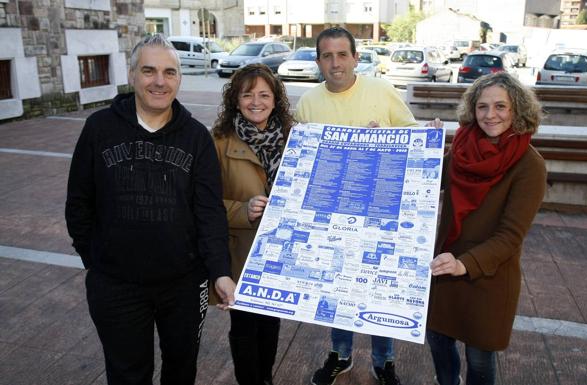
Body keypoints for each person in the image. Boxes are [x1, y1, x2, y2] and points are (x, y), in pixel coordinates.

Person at [65, 34, 236, 385]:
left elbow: (209, 211)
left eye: (169, 72)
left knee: (181, 367)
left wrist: (218, 270)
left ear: (179, 78)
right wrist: (97, 260)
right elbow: (79, 203)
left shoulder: (195, 137)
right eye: (149, 71)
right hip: (116, 286)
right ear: (131, 75)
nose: (160, 81)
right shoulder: (99, 128)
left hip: (185, 285)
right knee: (128, 374)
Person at [296, 26, 441, 385]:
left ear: (356, 58)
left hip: (380, 214)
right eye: (327, 55)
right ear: (318, 61)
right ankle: (340, 355)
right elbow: (303, 162)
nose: (335, 62)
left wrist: (428, 135)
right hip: (332, 216)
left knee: (380, 290)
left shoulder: (381, 90)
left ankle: (384, 360)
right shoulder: (307, 103)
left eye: (342, 54)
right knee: (336, 287)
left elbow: (412, 140)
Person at [426, 72, 547, 385]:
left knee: (480, 358)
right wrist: (423, 150)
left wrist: (463, 264)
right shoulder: (463, 150)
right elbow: (429, 182)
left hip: (489, 276)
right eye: (482, 107)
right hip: (444, 266)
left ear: (517, 110)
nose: (490, 115)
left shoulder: (529, 165)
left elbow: (510, 237)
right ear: (472, 110)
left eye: (500, 107)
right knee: (438, 340)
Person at [211, 64, 294, 385]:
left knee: (271, 321)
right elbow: (203, 204)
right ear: (236, 99)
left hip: (282, 251)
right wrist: (243, 210)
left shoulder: (295, 137)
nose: (256, 101)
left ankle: (265, 379)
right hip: (242, 251)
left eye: (264, 94)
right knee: (245, 324)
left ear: (275, 100)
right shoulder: (218, 142)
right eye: (248, 95)